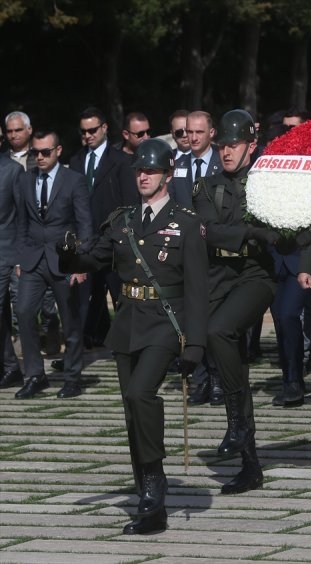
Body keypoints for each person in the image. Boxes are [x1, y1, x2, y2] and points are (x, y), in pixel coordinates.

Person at [59, 138, 208, 535]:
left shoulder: (186, 223)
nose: (143, 176)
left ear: (167, 175)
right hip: (127, 323)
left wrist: (196, 343)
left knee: (142, 394)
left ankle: (155, 482)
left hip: (166, 322)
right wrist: (68, 255)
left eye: (151, 171)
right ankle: (150, 506)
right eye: (139, 170)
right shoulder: (122, 219)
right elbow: (95, 258)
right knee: (131, 410)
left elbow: (197, 287)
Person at [192, 109, 278, 494]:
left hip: (255, 274)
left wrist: (248, 235)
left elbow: (276, 231)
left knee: (220, 330)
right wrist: (250, 232)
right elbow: (207, 232)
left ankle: (235, 424)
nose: (226, 152)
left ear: (251, 146)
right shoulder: (206, 186)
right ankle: (250, 463)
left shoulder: (266, 183)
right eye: (222, 145)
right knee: (233, 364)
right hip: (219, 275)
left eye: (234, 145)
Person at [14, 130, 91, 400]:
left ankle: (72, 377)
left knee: (70, 320)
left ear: (58, 151)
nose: (40, 157)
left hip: (65, 260)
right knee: (24, 311)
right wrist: (21, 258)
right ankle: (35, 375)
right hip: (33, 259)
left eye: (45, 152)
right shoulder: (25, 180)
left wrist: (81, 263)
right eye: (35, 152)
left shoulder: (74, 180)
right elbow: (22, 221)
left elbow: (84, 223)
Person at [69, 106, 139, 350]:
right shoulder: (77, 160)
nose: (88, 135)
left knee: (121, 296)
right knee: (85, 299)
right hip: (86, 242)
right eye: (83, 131)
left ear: (105, 128)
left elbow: (129, 204)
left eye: (93, 130)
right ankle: (79, 350)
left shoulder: (121, 161)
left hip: (114, 242)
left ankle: (130, 349)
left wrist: (122, 239)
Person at [0, 145, 24, 389]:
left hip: (6, 252)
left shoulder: (12, 170)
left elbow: (22, 215)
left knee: (18, 312)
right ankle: (9, 366)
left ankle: (12, 367)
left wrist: (20, 258)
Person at [169, 110, 220, 208]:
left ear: (211, 132)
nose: (194, 138)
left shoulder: (223, 163)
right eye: (190, 132)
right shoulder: (175, 165)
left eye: (199, 132)